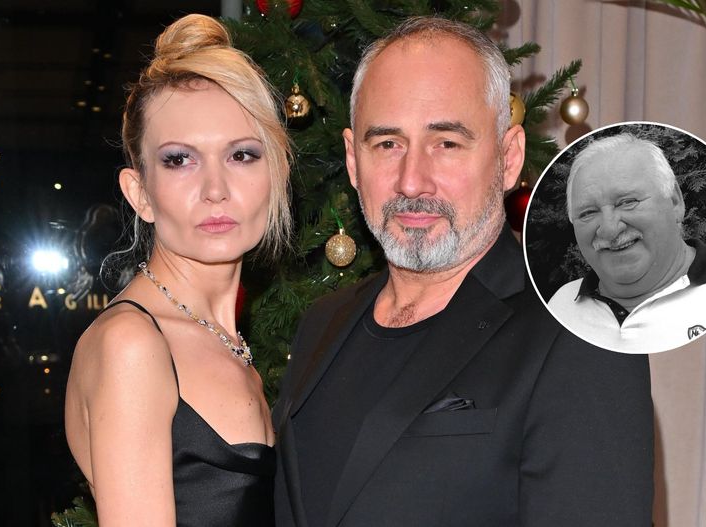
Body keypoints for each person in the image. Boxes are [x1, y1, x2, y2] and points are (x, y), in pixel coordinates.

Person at [272, 17, 654, 527]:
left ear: (508, 157)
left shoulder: (581, 334)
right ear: (353, 160)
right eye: (387, 144)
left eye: (446, 143)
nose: (412, 181)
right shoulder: (324, 321)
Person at [64, 14, 290, 526]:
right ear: (139, 192)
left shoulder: (220, 338)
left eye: (241, 154)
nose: (216, 189)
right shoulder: (132, 345)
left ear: (276, 174)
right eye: (179, 160)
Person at [547, 133, 706, 354]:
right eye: (588, 213)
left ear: (675, 202)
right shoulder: (561, 306)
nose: (609, 229)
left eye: (627, 202)